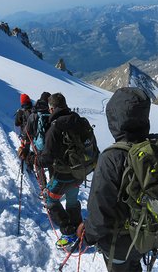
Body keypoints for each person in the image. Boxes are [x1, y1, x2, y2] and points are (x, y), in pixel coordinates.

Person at [81, 87, 151, 272]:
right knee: (134, 265)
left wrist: (88, 235)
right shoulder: (154, 149)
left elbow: (99, 208)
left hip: (118, 242)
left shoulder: (112, 158)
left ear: (115, 119)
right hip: (146, 237)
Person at [28, 93, 84, 248]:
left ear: (51, 108)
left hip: (62, 175)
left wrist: (32, 159)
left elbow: (46, 159)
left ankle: (68, 233)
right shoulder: (79, 121)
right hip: (80, 173)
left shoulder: (55, 128)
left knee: (51, 201)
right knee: (72, 201)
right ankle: (80, 230)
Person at [25, 92, 52, 188]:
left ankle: (44, 187)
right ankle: (53, 188)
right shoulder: (51, 112)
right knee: (51, 164)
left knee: (39, 164)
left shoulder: (34, 114)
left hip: (38, 144)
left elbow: (27, 130)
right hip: (51, 143)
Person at [14, 93, 33, 169]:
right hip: (34, 134)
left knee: (25, 148)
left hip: (25, 135)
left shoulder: (21, 112)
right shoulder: (34, 110)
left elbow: (17, 123)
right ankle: (31, 163)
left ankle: (26, 163)